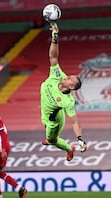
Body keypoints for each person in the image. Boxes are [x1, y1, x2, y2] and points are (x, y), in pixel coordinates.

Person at [40, 22, 87, 161]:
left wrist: (80, 139)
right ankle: (51, 137)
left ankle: (68, 148)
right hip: (46, 108)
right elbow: (53, 57)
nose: (67, 77)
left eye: (70, 79)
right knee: (44, 121)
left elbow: (75, 122)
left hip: (54, 120)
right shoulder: (58, 74)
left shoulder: (67, 101)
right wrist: (55, 36)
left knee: (51, 138)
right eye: (70, 76)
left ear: (71, 87)